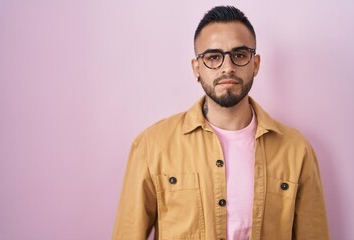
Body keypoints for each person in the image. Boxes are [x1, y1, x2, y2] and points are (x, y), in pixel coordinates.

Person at [113, 5, 329, 240]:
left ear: (255, 64)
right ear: (197, 68)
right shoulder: (151, 147)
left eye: (239, 54)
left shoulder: (297, 151)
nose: (228, 67)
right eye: (213, 57)